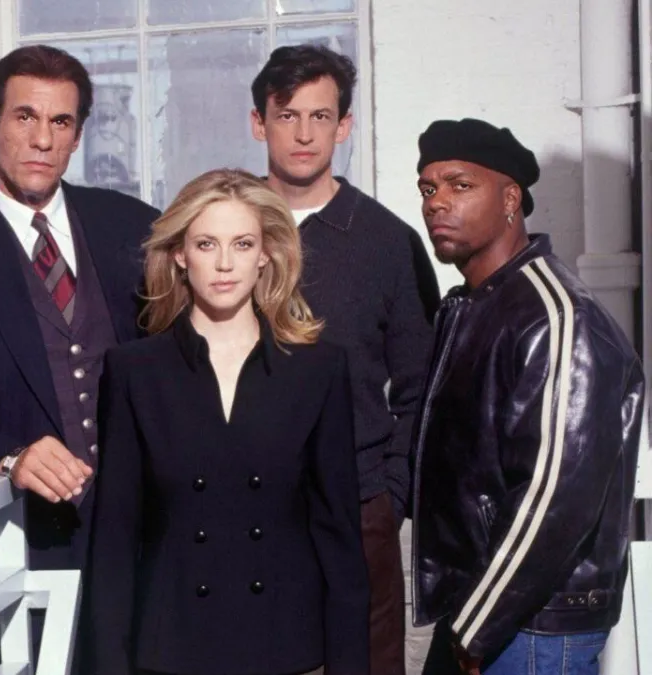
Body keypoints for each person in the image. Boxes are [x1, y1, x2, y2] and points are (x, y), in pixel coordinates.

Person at [86, 168, 369, 675]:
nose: (223, 264)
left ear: (265, 253)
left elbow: (339, 537)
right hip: (172, 650)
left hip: (284, 647)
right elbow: (115, 540)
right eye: (206, 244)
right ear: (180, 254)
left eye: (242, 244)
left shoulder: (318, 369)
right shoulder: (135, 371)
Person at [0, 44, 160, 672]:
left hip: (138, 538)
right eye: (24, 117)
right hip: (16, 542)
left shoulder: (134, 228)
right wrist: (7, 456)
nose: (42, 139)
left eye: (60, 122)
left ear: (78, 135)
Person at [411, 118, 645, 675]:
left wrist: (477, 627)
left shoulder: (557, 317)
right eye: (428, 188)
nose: (437, 202)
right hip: (483, 606)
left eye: (460, 185)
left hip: (531, 626)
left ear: (510, 199)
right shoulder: (471, 307)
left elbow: (557, 495)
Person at [250, 43, 440, 675]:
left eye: (321, 116)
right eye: (287, 115)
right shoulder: (222, 229)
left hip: (359, 508)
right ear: (259, 123)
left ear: (345, 125)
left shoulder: (387, 241)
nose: (304, 134)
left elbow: (421, 389)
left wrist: (390, 497)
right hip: (240, 508)